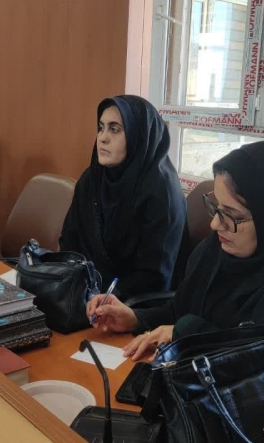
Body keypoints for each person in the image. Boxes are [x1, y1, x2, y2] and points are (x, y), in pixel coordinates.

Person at [86, 140, 264, 430]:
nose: (215, 224)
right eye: (216, 207)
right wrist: (137, 318)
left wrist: (187, 333)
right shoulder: (221, 250)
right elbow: (184, 308)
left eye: (233, 215)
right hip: (216, 405)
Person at [60, 95, 187, 301]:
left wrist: (105, 297)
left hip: (136, 304)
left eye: (115, 129)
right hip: (85, 292)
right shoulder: (93, 178)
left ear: (139, 136)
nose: (102, 138)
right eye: (101, 128)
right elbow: (69, 240)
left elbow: (154, 275)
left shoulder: (161, 192)